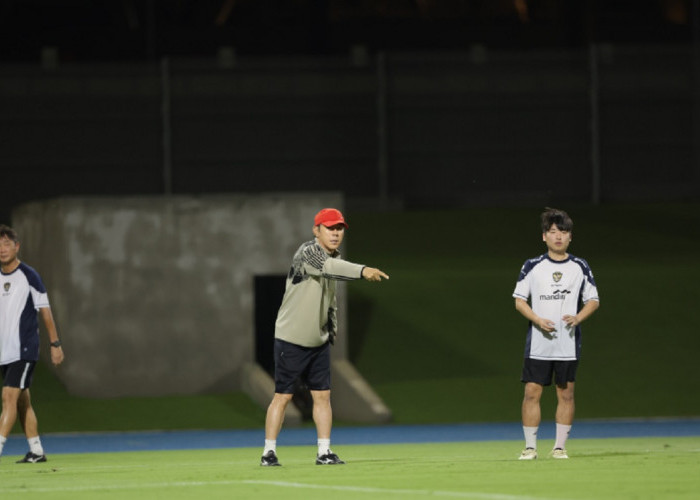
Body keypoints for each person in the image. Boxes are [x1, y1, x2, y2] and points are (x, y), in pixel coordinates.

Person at [260, 208, 389, 466]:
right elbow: (329, 268)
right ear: (316, 230)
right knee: (283, 396)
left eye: (339, 228)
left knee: (322, 396)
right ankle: (268, 452)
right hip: (291, 338)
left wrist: (330, 329)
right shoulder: (308, 253)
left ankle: (324, 452)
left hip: (317, 342)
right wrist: (363, 270)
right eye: (330, 228)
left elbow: (329, 300)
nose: (335, 233)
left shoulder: (333, 256)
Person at [512, 208, 599, 460]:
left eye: (563, 232)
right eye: (553, 232)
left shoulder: (580, 266)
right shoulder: (532, 266)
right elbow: (519, 300)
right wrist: (538, 319)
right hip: (539, 343)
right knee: (531, 392)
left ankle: (559, 447)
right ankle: (530, 447)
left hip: (567, 342)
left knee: (566, 393)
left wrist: (578, 317)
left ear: (570, 236)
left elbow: (593, 300)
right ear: (544, 237)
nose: (558, 236)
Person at [0, 224, 64, 463]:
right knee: (22, 401)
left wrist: (55, 344)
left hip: (24, 349)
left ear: (17, 247)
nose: (2, 249)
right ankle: (36, 450)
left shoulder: (29, 276)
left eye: (7, 244)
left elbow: (45, 312)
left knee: (8, 397)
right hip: (5, 351)